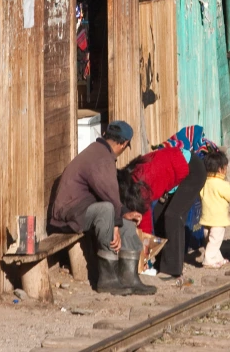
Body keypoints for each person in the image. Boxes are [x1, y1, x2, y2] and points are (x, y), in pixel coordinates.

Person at [49, 120, 156, 296]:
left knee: (127, 225)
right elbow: (109, 196)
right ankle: (108, 280)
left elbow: (108, 195)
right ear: (123, 144)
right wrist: (115, 223)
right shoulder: (101, 158)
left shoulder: (100, 152)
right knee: (107, 210)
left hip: (82, 209)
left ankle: (130, 278)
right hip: (68, 214)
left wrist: (123, 215)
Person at [120, 146, 207, 278]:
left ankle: (172, 269)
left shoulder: (140, 185)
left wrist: (144, 259)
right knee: (159, 214)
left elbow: (145, 225)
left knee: (173, 216)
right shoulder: (131, 178)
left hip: (192, 170)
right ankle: (161, 263)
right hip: (177, 171)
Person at [198, 151, 230, 269]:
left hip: (206, 219)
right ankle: (208, 260)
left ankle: (217, 258)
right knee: (215, 240)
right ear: (220, 169)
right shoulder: (222, 184)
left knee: (211, 241)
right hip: (218, 220)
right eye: (225, 168)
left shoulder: (204, 183)